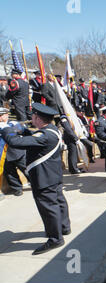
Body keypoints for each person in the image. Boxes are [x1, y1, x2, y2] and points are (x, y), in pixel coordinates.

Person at [0, 103, 71, 255]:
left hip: (44, 178)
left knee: (48, 208)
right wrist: (23, 129)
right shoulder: (51, 130)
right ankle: (64, 227)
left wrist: (5, 128)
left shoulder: (44, 135)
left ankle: (55, 239)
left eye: (33, 116)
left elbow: (15, 142)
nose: (31, 118)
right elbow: (33, 137)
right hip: (53, 176)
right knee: (59, 202)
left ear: (38, 118)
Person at [0, 108, 29, 196]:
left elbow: (22, 132)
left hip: (17, 152)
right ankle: (17, 188)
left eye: (1, 115)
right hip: (3, 155)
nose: (0, 118)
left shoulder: (13, 124)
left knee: (27, 169)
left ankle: (37, 184)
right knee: (10, 173)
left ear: (6, 115)